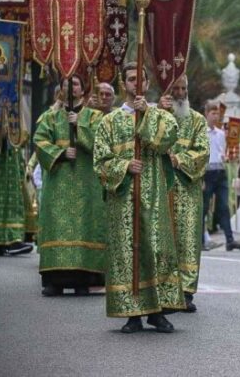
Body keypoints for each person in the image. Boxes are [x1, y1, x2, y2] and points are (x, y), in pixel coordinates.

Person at [93, 61, 183, 333]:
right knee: (128, 253)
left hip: (154, 196)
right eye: (131, 79)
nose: (136, 83)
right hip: (123, 200)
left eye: (141, 79)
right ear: (124, 84)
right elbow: (100, 161)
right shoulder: (109, 121)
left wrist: (148, 115)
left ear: (146, 82)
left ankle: (158, 312)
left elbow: (167, 139)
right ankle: (133, 314)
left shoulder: (161, 114)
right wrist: (123, 166)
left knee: (155, 250)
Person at [33, 75, 107, 296]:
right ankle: (54, 281)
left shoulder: (95, 117)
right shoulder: (50, 116)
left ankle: (83, 279)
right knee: (57, 226)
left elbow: (102, 144)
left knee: (86, 227)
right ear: (61, 90)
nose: (70, 87)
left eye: (75, 83)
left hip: (87, 185)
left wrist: (79, 127)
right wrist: (62, 153)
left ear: (83, 90)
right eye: (67, 83)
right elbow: (40, 142)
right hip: (59, 186)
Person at [159, 76, 210, 313]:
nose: (180, 93)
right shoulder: (157, 116)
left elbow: (203, 152)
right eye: (175, 89)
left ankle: (186, 292)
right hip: (160, 187)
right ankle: (161, 290)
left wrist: (178, 159)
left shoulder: (198, 120)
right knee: (162, 239)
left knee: (188, 240)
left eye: (183, 89)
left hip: (188, 190)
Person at [202, 101, 239, 252]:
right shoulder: (202, 132)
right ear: (206, 114)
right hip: (207, 172)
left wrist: (226, 157)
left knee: (223, 206)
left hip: (220, 171)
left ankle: (230, 239)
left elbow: (223, 151)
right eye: (213, 113)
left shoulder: (221, 133)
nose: (215, 116)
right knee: (204, 208)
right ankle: (200, 241)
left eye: (217, 113)